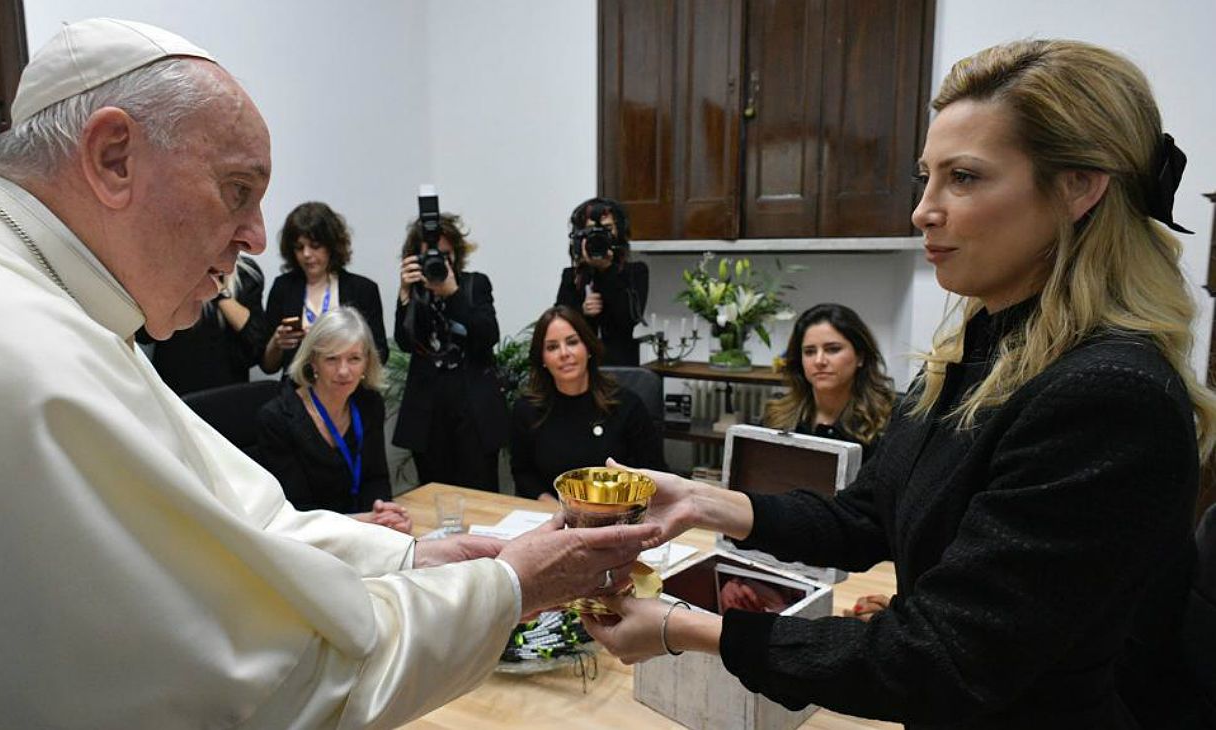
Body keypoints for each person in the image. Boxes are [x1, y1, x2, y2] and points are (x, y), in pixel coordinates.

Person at [0, 19, 659, 728]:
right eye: (238, 189)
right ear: (115, 156)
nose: (257, 236)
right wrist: (513, 586)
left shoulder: (46, 296)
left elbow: (249, 527)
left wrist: (410, 553)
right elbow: (264, 689)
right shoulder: (16, 353)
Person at [583, 39, 1215, 729]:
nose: (923, 210)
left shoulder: (1108, 398)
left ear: (1078, 187)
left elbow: (943, 659)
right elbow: (866, 517)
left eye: (965, 178)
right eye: (926, 177)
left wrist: (686, 628)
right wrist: (701, 501)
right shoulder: (971, 355)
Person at [257, 306, 410, 532]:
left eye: (354, 358)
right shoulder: (277, 418)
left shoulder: (369, 404)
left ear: (367, 362)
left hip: (364, 532)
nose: (343, 371)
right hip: (307, 541)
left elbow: (375, 478)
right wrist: (362, 521)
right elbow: (296, 510)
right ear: (313, 362)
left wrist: (383, 512)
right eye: (332, 359)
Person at [393, 212, 507, 490]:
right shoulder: (415, 293)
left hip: (473, 415)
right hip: (428, 416)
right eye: (430, 256)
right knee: (434, 497)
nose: (438, 261)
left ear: (455, 254)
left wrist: (453, 294)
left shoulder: (474, 284)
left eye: (445, 254)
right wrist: (406, 297)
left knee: (482, 495)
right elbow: (406, 343)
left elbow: (487, 335)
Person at [511, 305, 667, 503]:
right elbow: (523, 472)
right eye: (552, 347)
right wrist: (552, 506)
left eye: (572, 342)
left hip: (619, 518)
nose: (564, 353)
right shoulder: (527, 410)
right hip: (555, 519)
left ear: (588, 347)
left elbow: (654, 473)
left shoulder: (627, 405)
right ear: (542, 359)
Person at [261, 201, 388, 375]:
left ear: (332, 246)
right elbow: (268, 366)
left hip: (349, 388)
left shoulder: (363, 289)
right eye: (299, 248)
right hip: (297, 390)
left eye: (315, 246)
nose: (306, 254)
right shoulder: (283, 287)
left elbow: (380, 355)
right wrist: (277, 343)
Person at [762, 303, 896, 461]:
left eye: (833, 349)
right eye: (810, 351)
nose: (819, 361)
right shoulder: (777, 415)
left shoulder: (889, 420)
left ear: (860, 356)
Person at [136, 254, 268, 394]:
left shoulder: (245, 274)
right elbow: (143, 334)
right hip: (174, 388)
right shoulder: (171, 269)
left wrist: (219, 291)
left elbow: (256, 344)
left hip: (228, 391)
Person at [555, 197, 649, 366]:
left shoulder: (635, 272)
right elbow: (559, 322)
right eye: (591, 230)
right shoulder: (572, 276)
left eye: (607, 229)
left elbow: (628, 319)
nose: (599, 236)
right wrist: (582, 311)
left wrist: (607, 270)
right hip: (580, 366)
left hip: (620, 366)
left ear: (619, 232)